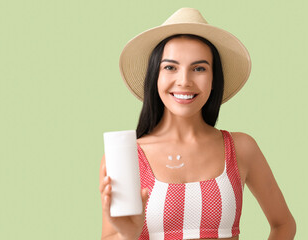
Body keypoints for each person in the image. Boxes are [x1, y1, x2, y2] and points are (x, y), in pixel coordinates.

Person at [99, 8, 296, 240]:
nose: (184, 81)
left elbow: (283, 224)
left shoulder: (241, 148)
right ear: (156, 77)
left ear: (214, 80)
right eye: (170, 67)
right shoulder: (126, 156)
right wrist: (126, 235)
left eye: (199, 68)